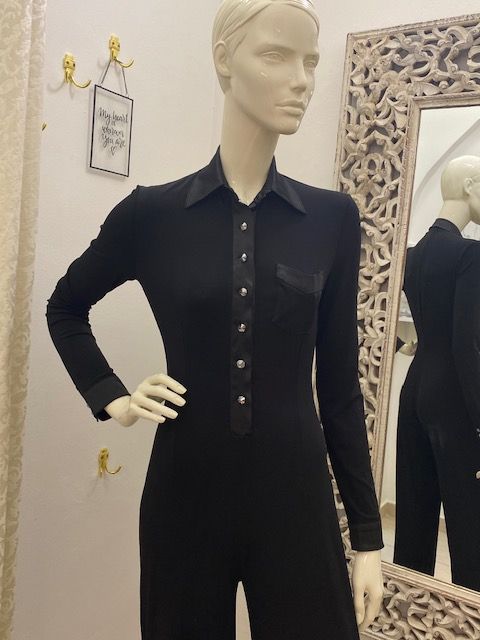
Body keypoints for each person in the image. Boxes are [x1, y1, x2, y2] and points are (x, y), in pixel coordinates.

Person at [46, 0, 384, 637]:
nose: (301, 80)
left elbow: (340, 390)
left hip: (295, 497)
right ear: (225, 61)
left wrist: (367, 537)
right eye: (277, 55)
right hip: (185, 495)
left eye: (310, 62)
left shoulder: (332, 219)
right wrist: (113, 397)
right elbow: (65, 307)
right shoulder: (151, 215)